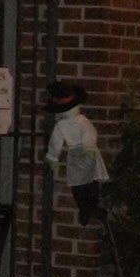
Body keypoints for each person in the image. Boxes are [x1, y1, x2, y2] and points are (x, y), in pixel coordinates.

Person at [44, 81, 107, 224]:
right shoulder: (79, 121)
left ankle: (88, 207)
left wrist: (52, 158)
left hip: (79, 153)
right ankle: (87, 207)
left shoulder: (67, 123)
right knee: (86, 182)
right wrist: (88, 150)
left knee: (81, 183)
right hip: (83, 153)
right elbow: (91, 134)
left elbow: (55, 144)